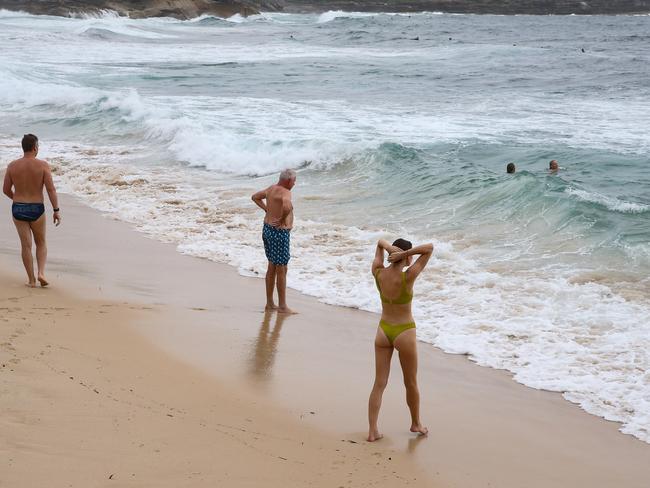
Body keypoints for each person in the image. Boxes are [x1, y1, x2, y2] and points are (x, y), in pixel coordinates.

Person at [367, 238, 433, 442]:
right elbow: (429, 249)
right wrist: (404, 255)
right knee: (410, 382)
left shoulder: (378, 273)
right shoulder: (409, 276)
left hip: (383, 332)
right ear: (408, 256)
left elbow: (379, 242)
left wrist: (388, 249)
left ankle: (372, 431)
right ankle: (416, 423)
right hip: (404, 332)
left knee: (379, 383)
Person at [2, 134, 61, 287]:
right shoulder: (43, 165)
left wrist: (17, 198)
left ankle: (31, 280)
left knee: (26, 245)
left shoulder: (12, 166)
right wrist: (56, 209)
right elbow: (51, 189)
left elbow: (6, 189)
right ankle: (41, 273)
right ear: (35, 147)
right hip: (37, 209)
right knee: (40, 243)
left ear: (24, 147)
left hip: (18, 208)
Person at [251, 169, 297, 314]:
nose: (294, 184)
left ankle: (270, 303)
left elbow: (255, 197)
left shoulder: (271, 189)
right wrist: (283, 218)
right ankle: (282, 306)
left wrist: (267, 210)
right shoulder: (285, 192)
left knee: (272, 266)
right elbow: (287, 206)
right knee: (281, 269)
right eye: (294, 181)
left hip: (267, 229)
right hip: (279, 233)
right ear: (288, 181)